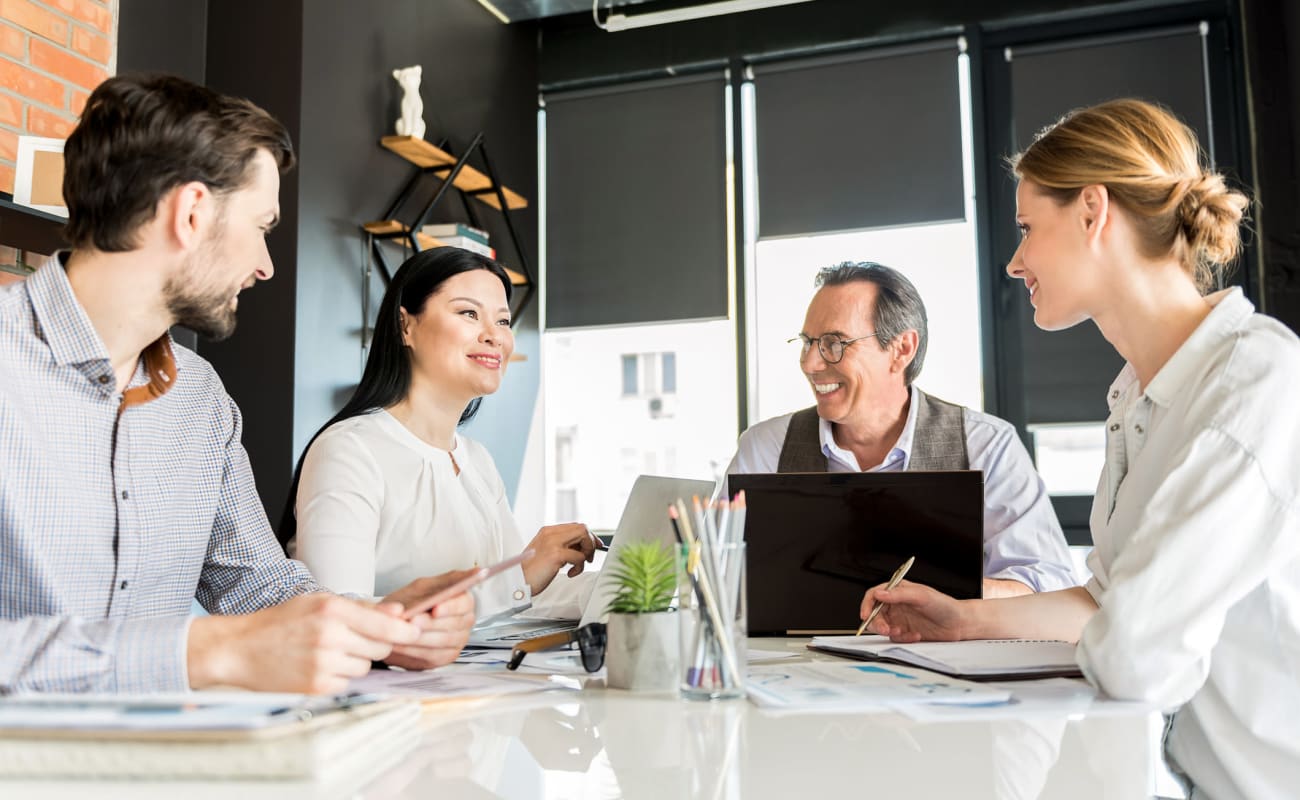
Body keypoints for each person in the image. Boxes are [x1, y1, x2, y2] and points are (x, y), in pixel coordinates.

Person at [860, 99, 1299, 800]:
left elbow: (1135, 653)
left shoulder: (1252, 385)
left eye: (1029, 227)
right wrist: (965, 620)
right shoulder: (1138, 398)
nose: (1013, 261)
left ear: (1093, 211)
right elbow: (1109, 602)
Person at [0, 73, 476, 696]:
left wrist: (379, 624)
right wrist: (203, 652)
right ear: (193, 213)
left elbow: (257, 583)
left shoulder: (200, 399)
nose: (266, 265)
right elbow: (219, 641)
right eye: (263, 226)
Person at [280, 246, 599, 618]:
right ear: (405, 325)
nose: (494, 336)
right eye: (468, 313)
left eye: (503, 321)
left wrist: (629, 582)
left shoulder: (477, 460)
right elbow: (337, 616)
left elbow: (520, 600)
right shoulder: (349, 450)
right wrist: (520, 577)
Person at [728, 262, 1076, 596]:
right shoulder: (764, 448)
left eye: (834, 344)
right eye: (808, 342)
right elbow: (717, 577)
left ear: (901, 350)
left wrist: (948, 594)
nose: (810, 363)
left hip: (944, 657)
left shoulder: (988, 446)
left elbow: (1045, 583)